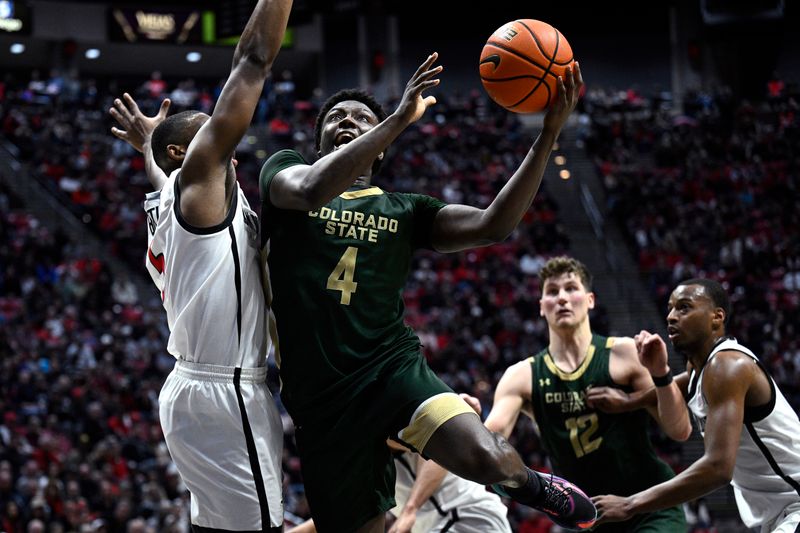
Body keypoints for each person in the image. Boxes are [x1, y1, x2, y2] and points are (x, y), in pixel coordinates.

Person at [259, 58, 596, 532]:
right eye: (336, 117)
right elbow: (314, 188)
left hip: (390, 368)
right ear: (319, 144)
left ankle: (534, 487)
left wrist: (547, 135)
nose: (347, 121)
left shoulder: (406, 210)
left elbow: (493, 224)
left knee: (489, 457)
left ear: (380, 152)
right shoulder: (286, 173)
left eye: (360, 117)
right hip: (319, 397)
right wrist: (397, 120)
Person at [108, 1, 292, 531]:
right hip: (225, 391)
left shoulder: (169, 194)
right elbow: (252, 60)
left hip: (196, 387)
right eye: (212, 143)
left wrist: (147, 143)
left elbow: (158, 166)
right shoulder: (201, 186)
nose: (228, 152)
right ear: (185, 157)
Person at [481, 255, 690, 532]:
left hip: (648, 505)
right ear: (541, 307)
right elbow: (489, 446)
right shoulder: (521, 376)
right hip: (586, 517)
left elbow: (680, 431)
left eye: (571, 288)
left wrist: (662, 372)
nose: (562, 298)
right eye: (552, 292)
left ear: (590, 300)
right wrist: (472, 428)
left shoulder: (626, 354)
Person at [593, 278, 800, 532]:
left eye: (684, 307)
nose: (670, 316)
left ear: (717, 317)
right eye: (669, 308)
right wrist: (629, 401)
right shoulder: (701, 367)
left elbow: (718, 468)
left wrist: (630, 504)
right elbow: (680, 383)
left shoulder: (727, 367)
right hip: (781, 511)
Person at [284, 395, 512, 533]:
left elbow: (438, 456)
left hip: (466, 516)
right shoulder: (363, 462)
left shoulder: (388, 425)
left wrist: (409, 510)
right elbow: (335, 519)